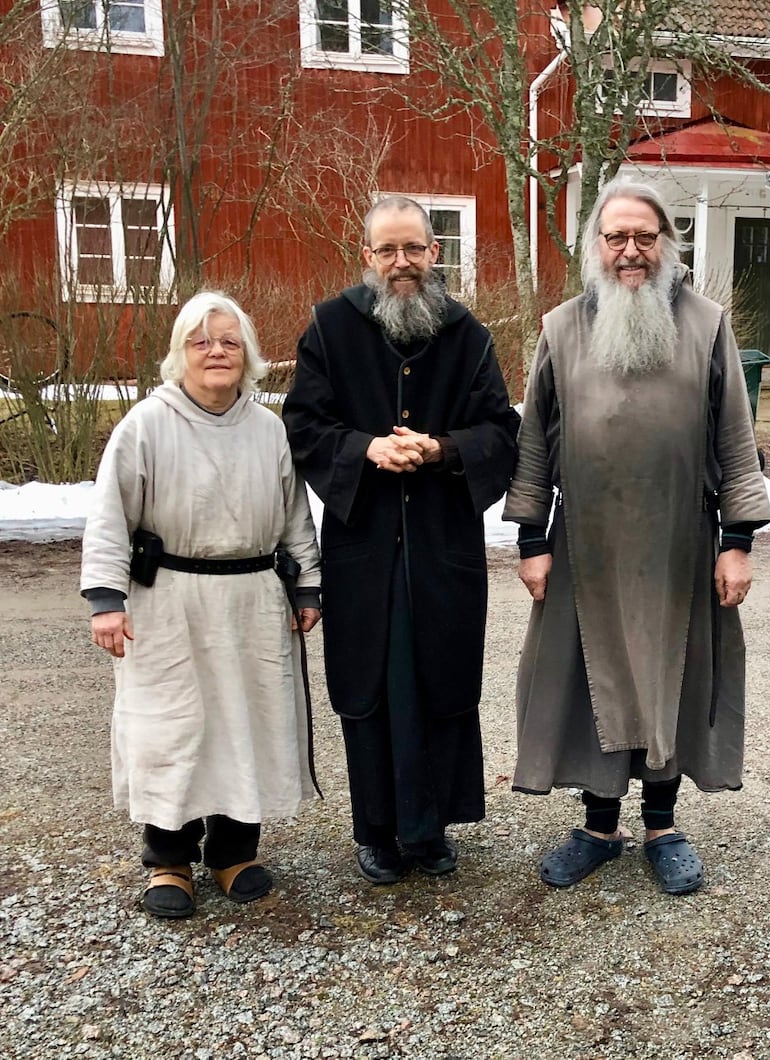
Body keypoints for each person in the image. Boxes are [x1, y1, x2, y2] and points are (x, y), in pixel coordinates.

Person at [503, 178, 770, 895]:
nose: (630, 251)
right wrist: (532, 539)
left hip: (679, 540)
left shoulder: (707, 324)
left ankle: (662, 825)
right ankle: (598, 826)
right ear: (596, 246)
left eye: (644, 238)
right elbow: (534, 442)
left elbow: (736, 442)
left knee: (669, 678)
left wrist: (737, 540)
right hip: (586, 543)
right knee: (592, 682)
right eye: (616, 237)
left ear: (667, 244)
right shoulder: (561, 328)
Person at [282, 196, 518, 886]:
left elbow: (500, 431)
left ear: (434, 252)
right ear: (367, 258)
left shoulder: (466, 333)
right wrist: (365, 451)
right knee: (373, 689)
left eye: (413, 249)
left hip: (442, 548)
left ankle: (433, 827)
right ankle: (377, 830)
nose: (402, 263)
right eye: (387, 251)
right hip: (365, 548)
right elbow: (303, 425)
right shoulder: (330, 328)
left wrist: (440, 449)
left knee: (438, 681)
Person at [81, 291, 322, 919]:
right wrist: (107, 598)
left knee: (247, 722)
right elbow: (109, 516)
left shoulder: (268, 429)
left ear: (247, 355)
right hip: (169, 601)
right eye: (201, 340)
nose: (216, 351)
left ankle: (234, 852)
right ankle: (168, 859)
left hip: (251, 600)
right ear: (180, 353)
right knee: (175, 728)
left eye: (229, 341)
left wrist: (306, 586)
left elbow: (295, 516)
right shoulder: (146, 425)